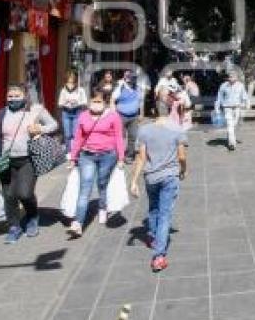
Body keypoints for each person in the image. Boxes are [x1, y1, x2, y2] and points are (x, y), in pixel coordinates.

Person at [0, 83, 58, 243]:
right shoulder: (1, 114)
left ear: (25, 96)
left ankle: (32, 216)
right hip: (6, 160)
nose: (13, 99)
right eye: (10, 96)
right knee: (9, 195)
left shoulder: (36, 110)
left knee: (24, 193)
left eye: (16, 96)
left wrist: (39, 128)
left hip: (28, 159)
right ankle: (14, 227)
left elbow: (53, 125)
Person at [130, 97, 188, 272]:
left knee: (153, 208)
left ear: (153, 112)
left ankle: (153, 236)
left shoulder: (144, 130)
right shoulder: (177, 130)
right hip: (169, 176)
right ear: (171, 112)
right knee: (165, 215)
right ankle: (159, 255)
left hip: (151, 176)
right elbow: (182, 156)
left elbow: (140, 158)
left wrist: (133, 181)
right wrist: (184, 170)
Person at [68, 87, 126, 238]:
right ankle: (78, 223)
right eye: (93, 101)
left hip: (108, 155)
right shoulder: (83, 116)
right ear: (89, 102)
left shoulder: (113, 116)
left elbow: (119, 137)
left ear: (105, 102)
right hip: (87, 155)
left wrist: (121, 158)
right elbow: (78, 138)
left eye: (99, 101)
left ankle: (102, 206)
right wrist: (73, 158)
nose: (96, 104)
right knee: (85, 188)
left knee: (102, 182)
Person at [111, 70, 144, 162]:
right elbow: (113, 99)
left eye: (134, 78)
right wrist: (113, 113)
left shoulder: (138, 88)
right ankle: (119, 155)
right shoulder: (120, 87)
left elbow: (141, 102)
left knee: (133, 136)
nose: (133, 80)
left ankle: (130, 155)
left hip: (134, 116)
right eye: (131, 78)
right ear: (126, 79)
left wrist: (141, 114)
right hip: (121, 115)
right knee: (120, 136)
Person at [215, 72, 249, 150]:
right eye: (230, 77)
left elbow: (244, 96)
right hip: (227, 107)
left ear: (236, 78)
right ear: (228, 78)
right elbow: (219, 97)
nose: (231, 78)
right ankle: (232, 144)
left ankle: (230, 138)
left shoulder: (240, 86)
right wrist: (217, 108)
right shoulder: (223, 86)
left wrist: (246, 104)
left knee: (233, 125)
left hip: (237, 107)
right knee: (230, 125)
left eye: (233, 77)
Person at [58, 71, 87, 155]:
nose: (71, 79)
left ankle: (75, 150)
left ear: (75, 78)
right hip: (66, 112)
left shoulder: (80, 89)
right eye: (69, 77)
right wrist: (66, 102)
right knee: (67, 134)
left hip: (76, 111)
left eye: (72, 77)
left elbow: (84, 102)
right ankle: (68, 150)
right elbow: (60, 103)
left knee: (75, 133)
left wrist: (76, 102)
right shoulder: (63, 90)